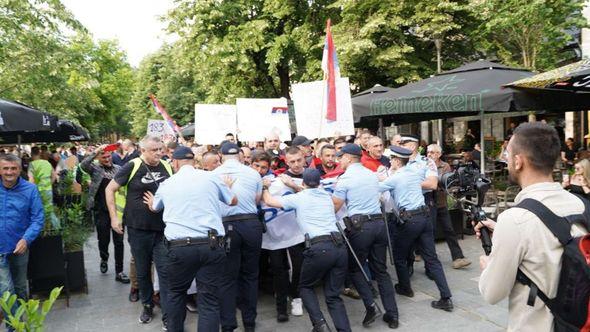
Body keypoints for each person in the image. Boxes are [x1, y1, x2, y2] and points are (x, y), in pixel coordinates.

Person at [476, 122, 588, 331]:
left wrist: (488, 264)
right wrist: (501, 229)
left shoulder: (515, 219)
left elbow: (492, 293)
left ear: (518, 161)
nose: (506, 160)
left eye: (507, 154)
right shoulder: (582, 204)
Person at [144, 146, 237, 331]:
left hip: (179, 248)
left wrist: (150, 203)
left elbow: (155, 207)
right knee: (209, 299)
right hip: (211, 245)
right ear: (194, 162)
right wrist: (227, 187)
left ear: (176, 163)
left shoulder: (167, 184)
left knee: (175, 294)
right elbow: (232, 201)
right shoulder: (211, 178)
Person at [263, 168, 351, 332]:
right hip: (339, 247)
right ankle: (344, 329)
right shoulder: (326, 195)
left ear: (302, 182)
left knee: (305, 287)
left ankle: (320, 324)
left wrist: (264, 186)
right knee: (333, 295)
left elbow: (269, 201)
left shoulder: (299, 198)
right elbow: (309, 192)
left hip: (319, 247)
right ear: (319, 183)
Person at [105, 135, 173, 327]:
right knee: (143, 271)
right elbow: (110, 189)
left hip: (162, 229)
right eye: (154, 150)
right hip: (138, 229)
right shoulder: (132, 165)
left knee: (165, 271)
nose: (159, 153)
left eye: (161, 149)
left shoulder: (167, 166)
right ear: (143, 150)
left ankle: (169, 314)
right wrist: (114, 217)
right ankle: (147, 305)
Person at [331, 143, 399, 329]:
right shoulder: (371, 175)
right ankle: (392, 315)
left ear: (348, 158)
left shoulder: (344, 179)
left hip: (360, 227)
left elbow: (335, 206)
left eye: (341, 157)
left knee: (355, 269)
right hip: (378, 224)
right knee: (381, 270)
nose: (339, 160)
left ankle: (370, 306)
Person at [379, 145, 454, 312]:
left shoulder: (395, 177)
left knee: (399, 256)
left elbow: (376, 188)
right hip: (424, 216)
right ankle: (446, 296)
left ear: (397, 161)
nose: (390, 161)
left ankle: (405, 288)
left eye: (392, 159)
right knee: (432, 258)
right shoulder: (415, 172)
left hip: (409, 220)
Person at [212, 143, 264, 332]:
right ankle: (249, 323)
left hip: (227, 225)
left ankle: (228, 325)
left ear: (221, 155)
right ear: (240, 155)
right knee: (250, 275)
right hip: (251, 224)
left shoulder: (214, 175)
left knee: (227, 277)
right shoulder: (253, 173)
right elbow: (256, 200)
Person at [0, 154, 44, 328]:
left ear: (19, 169)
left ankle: (22, 320)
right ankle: (14, 327)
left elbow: (38, 218)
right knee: (5, 290)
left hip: (20, 248)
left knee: (19, 289)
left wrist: (26, 239)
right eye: (5, 168)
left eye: (13, 168)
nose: (9, 172)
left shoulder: (30, 190)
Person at [80, 144, 129, 283]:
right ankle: (104, 257)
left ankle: (119, 271)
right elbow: (83, 165)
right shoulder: (95, 168)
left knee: (119, 242)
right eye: (104, 157)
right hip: (101, 211)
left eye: (109, 156)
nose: (107, 159)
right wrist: (95, 152)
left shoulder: (118, 169)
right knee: (104, 239)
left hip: (117, 212)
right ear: (98, 159)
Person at [267, 147, 306, 322]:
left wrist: (294, 186)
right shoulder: (277, 180)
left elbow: (313, 196)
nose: (296, 164)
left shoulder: (312, 175)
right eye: (292, 161)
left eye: (298, 160)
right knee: (278, 269)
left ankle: (296, 297)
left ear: (304, 158)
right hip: (275, 232)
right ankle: (281, 306)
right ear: (286, 161)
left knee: (298, 266)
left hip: (300, 232)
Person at [426, 144, 472, 269]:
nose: (429, 154)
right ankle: (425, 257)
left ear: (439, 154)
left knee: (449, 229)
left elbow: (447, 183)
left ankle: (458, 257)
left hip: (441, 202)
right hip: (428, 203)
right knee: (430, 230)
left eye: (433, 152)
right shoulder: (423, 165)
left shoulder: (444, 166)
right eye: (428, 152)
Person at [27, 146, 59, 229]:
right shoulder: (47, 163)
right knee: (49, 211)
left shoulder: (32, 164)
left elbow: (31, 180)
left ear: (31, 154)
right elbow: (54, 176)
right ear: (39, 153)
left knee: (37, 211)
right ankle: (57, 229)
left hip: (37, 191)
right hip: (48, 190)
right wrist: (49, 184)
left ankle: (42, 230)